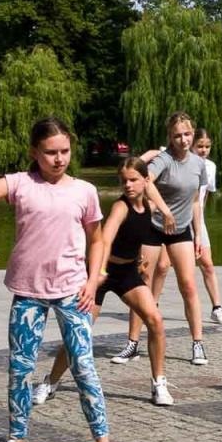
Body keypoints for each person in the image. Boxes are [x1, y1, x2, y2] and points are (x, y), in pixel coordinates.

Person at [0, 117, 124, 442]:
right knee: (20, 369)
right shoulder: (19, 184)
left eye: (64, 151)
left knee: (84, 367)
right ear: (35, 152)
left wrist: (93, 282)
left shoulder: (84, 191)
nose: (59, 159)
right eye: (50, 153)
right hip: (28, 292)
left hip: (72, 291)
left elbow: (97, 240)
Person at [31, 157, 178, 407]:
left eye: (133, 180)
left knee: (155, 320)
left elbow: (146, 206)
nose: (128, 185)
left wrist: (140, 256)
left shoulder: (150, 208)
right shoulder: (121, 207)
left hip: (128, 274)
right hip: (100, 272)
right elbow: (106, 239)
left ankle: (158, 384)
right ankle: (50, 382)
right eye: (123, 181)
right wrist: (97, 272)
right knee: (80, 333)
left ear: (145, 180)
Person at [118, 113, 207, 367]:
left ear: (193, 133)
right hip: (154, 227)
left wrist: (198, 233)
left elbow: (195, 201)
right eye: (177, 135)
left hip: (180, 230)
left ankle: (197, 343)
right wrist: (164, 210)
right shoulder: (163, 160)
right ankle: (132, 344)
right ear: (170, 136)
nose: (183, 140)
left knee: (188, 285)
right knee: (142, 284)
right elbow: (146, 183)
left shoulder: (198, 164)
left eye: (187, 134)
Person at [191, 128, 222, 328]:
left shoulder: (210, 167)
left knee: (207, 263)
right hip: (177, 219)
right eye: (200, 146)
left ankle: (217, 307)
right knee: (163, 267)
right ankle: (151, 304)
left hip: (198, 220)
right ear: (192, 145)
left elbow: (205, 195)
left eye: (207, 146)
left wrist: (200, 223)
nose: (204, 150)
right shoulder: (183, 163)